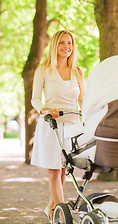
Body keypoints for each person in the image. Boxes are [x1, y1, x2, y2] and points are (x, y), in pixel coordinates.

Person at [31, 30, 85, 223]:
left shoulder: (78, 71)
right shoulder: (43, 69)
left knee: (64, 171)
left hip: (72, 127)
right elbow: (35, 99)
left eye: (69, 43)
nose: (66, 47)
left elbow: (83, 100)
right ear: (55, 45)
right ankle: (64, 215)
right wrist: (45, 110)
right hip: (51, 125)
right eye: (62, 43)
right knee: (54, 170)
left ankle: (52, 208)